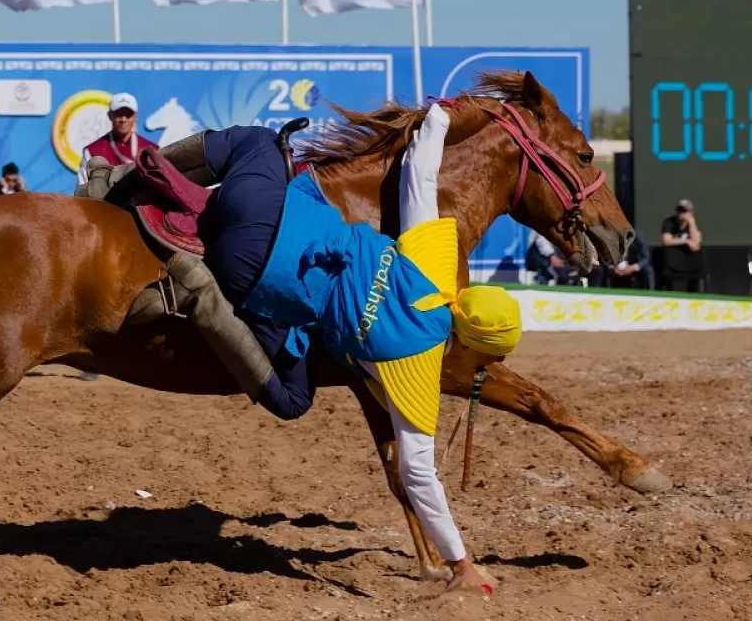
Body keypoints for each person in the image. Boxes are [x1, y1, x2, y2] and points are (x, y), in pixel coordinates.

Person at [87, 106, 520, 593]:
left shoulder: (435, 268)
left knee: (255, 137)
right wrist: (462, 564)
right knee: (295, 401)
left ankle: (114, 183)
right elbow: (418, 475)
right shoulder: (417, 376)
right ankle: (202, 299)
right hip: (249, 276)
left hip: (266, 206)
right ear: (475, 346)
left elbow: (419, 174)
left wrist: (442, 117)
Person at [77, 92, 157, 186]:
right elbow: (82, 188)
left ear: (135, 116)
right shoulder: (92, 150)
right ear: (110, 115)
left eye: (128, 115)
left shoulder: (152, 150)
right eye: (119, 114)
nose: (123, 119)